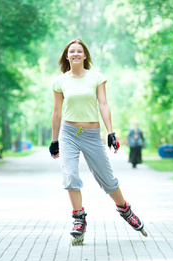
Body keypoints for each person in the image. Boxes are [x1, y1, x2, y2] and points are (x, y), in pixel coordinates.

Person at [49, 38, 147, 246]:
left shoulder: (96, 78)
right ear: (67, 56)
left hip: (92, 134)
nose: (75, 54)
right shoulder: (60, 82)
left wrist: (111, 132)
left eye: (79, 51)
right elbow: (56, 113)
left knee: (107, 179)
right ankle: (78, 219)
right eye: (71, 51)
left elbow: (103, 104)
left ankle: (125, 210)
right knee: (69, 175)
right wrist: (54, 139)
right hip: (68, 133)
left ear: (85, 55)